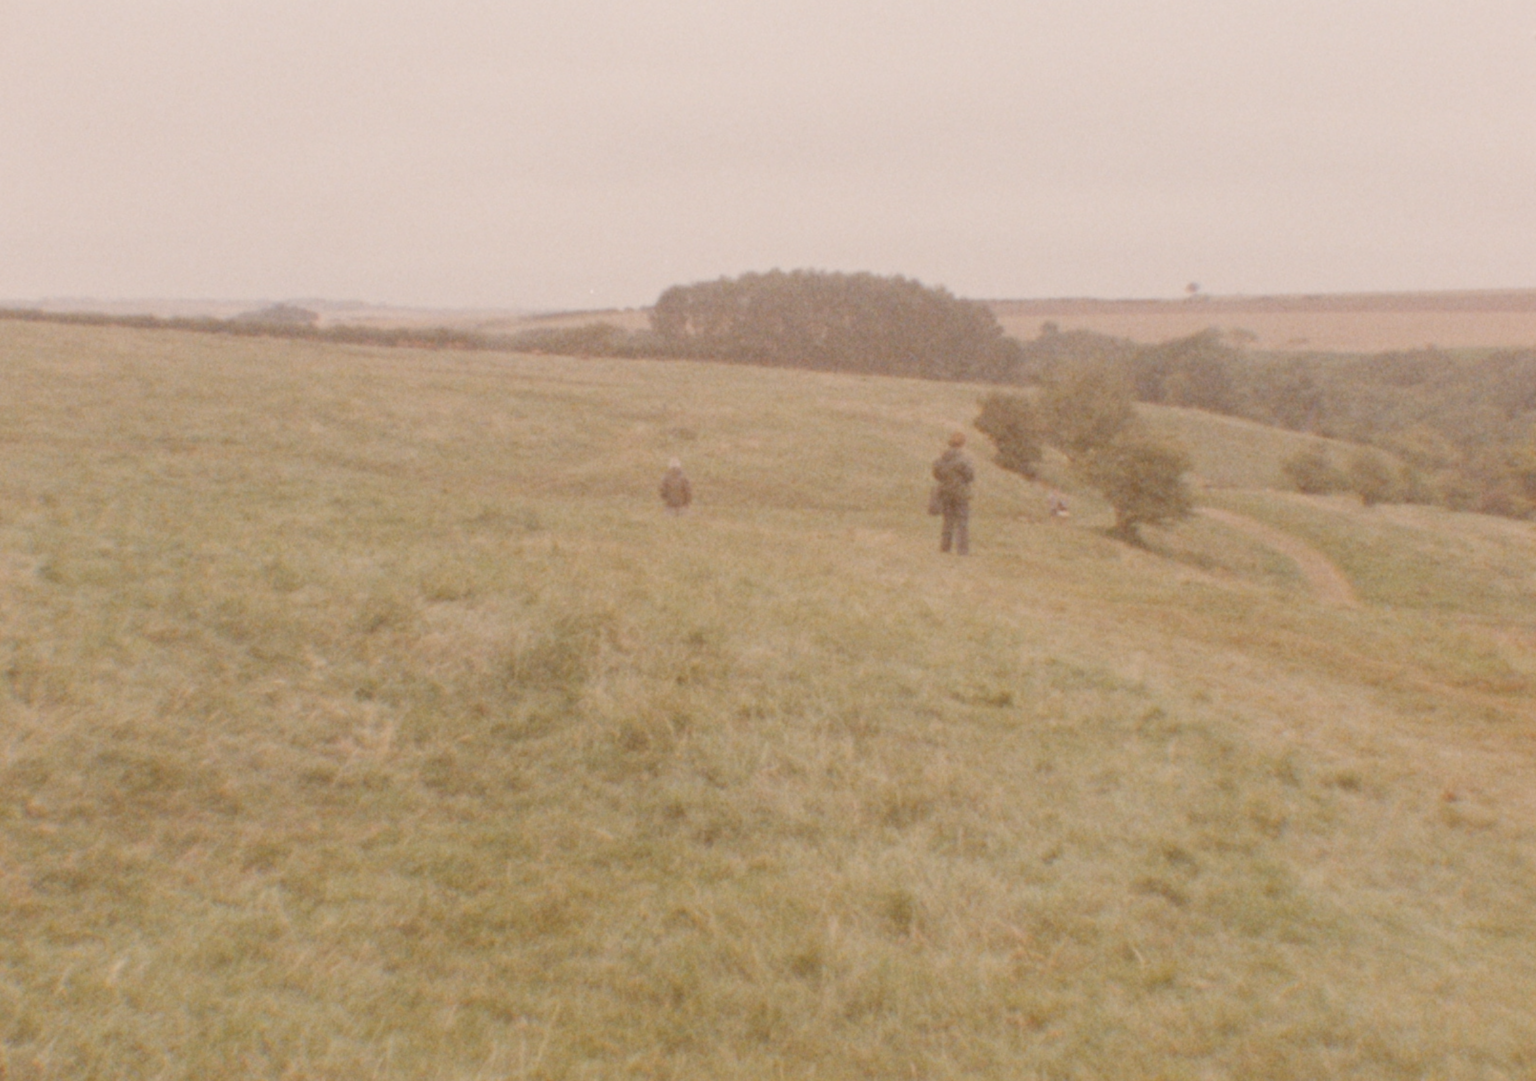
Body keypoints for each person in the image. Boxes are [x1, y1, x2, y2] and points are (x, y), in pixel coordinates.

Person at [931, 432, 974, 554]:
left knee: (947, 521)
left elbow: (936, 474)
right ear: (962, 444)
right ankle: (962, 549)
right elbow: (970, 476)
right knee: (962, 521)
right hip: (960, 493)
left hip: (945, 491)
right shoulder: (964, 459)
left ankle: (945, 547)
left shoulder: (941, 459)